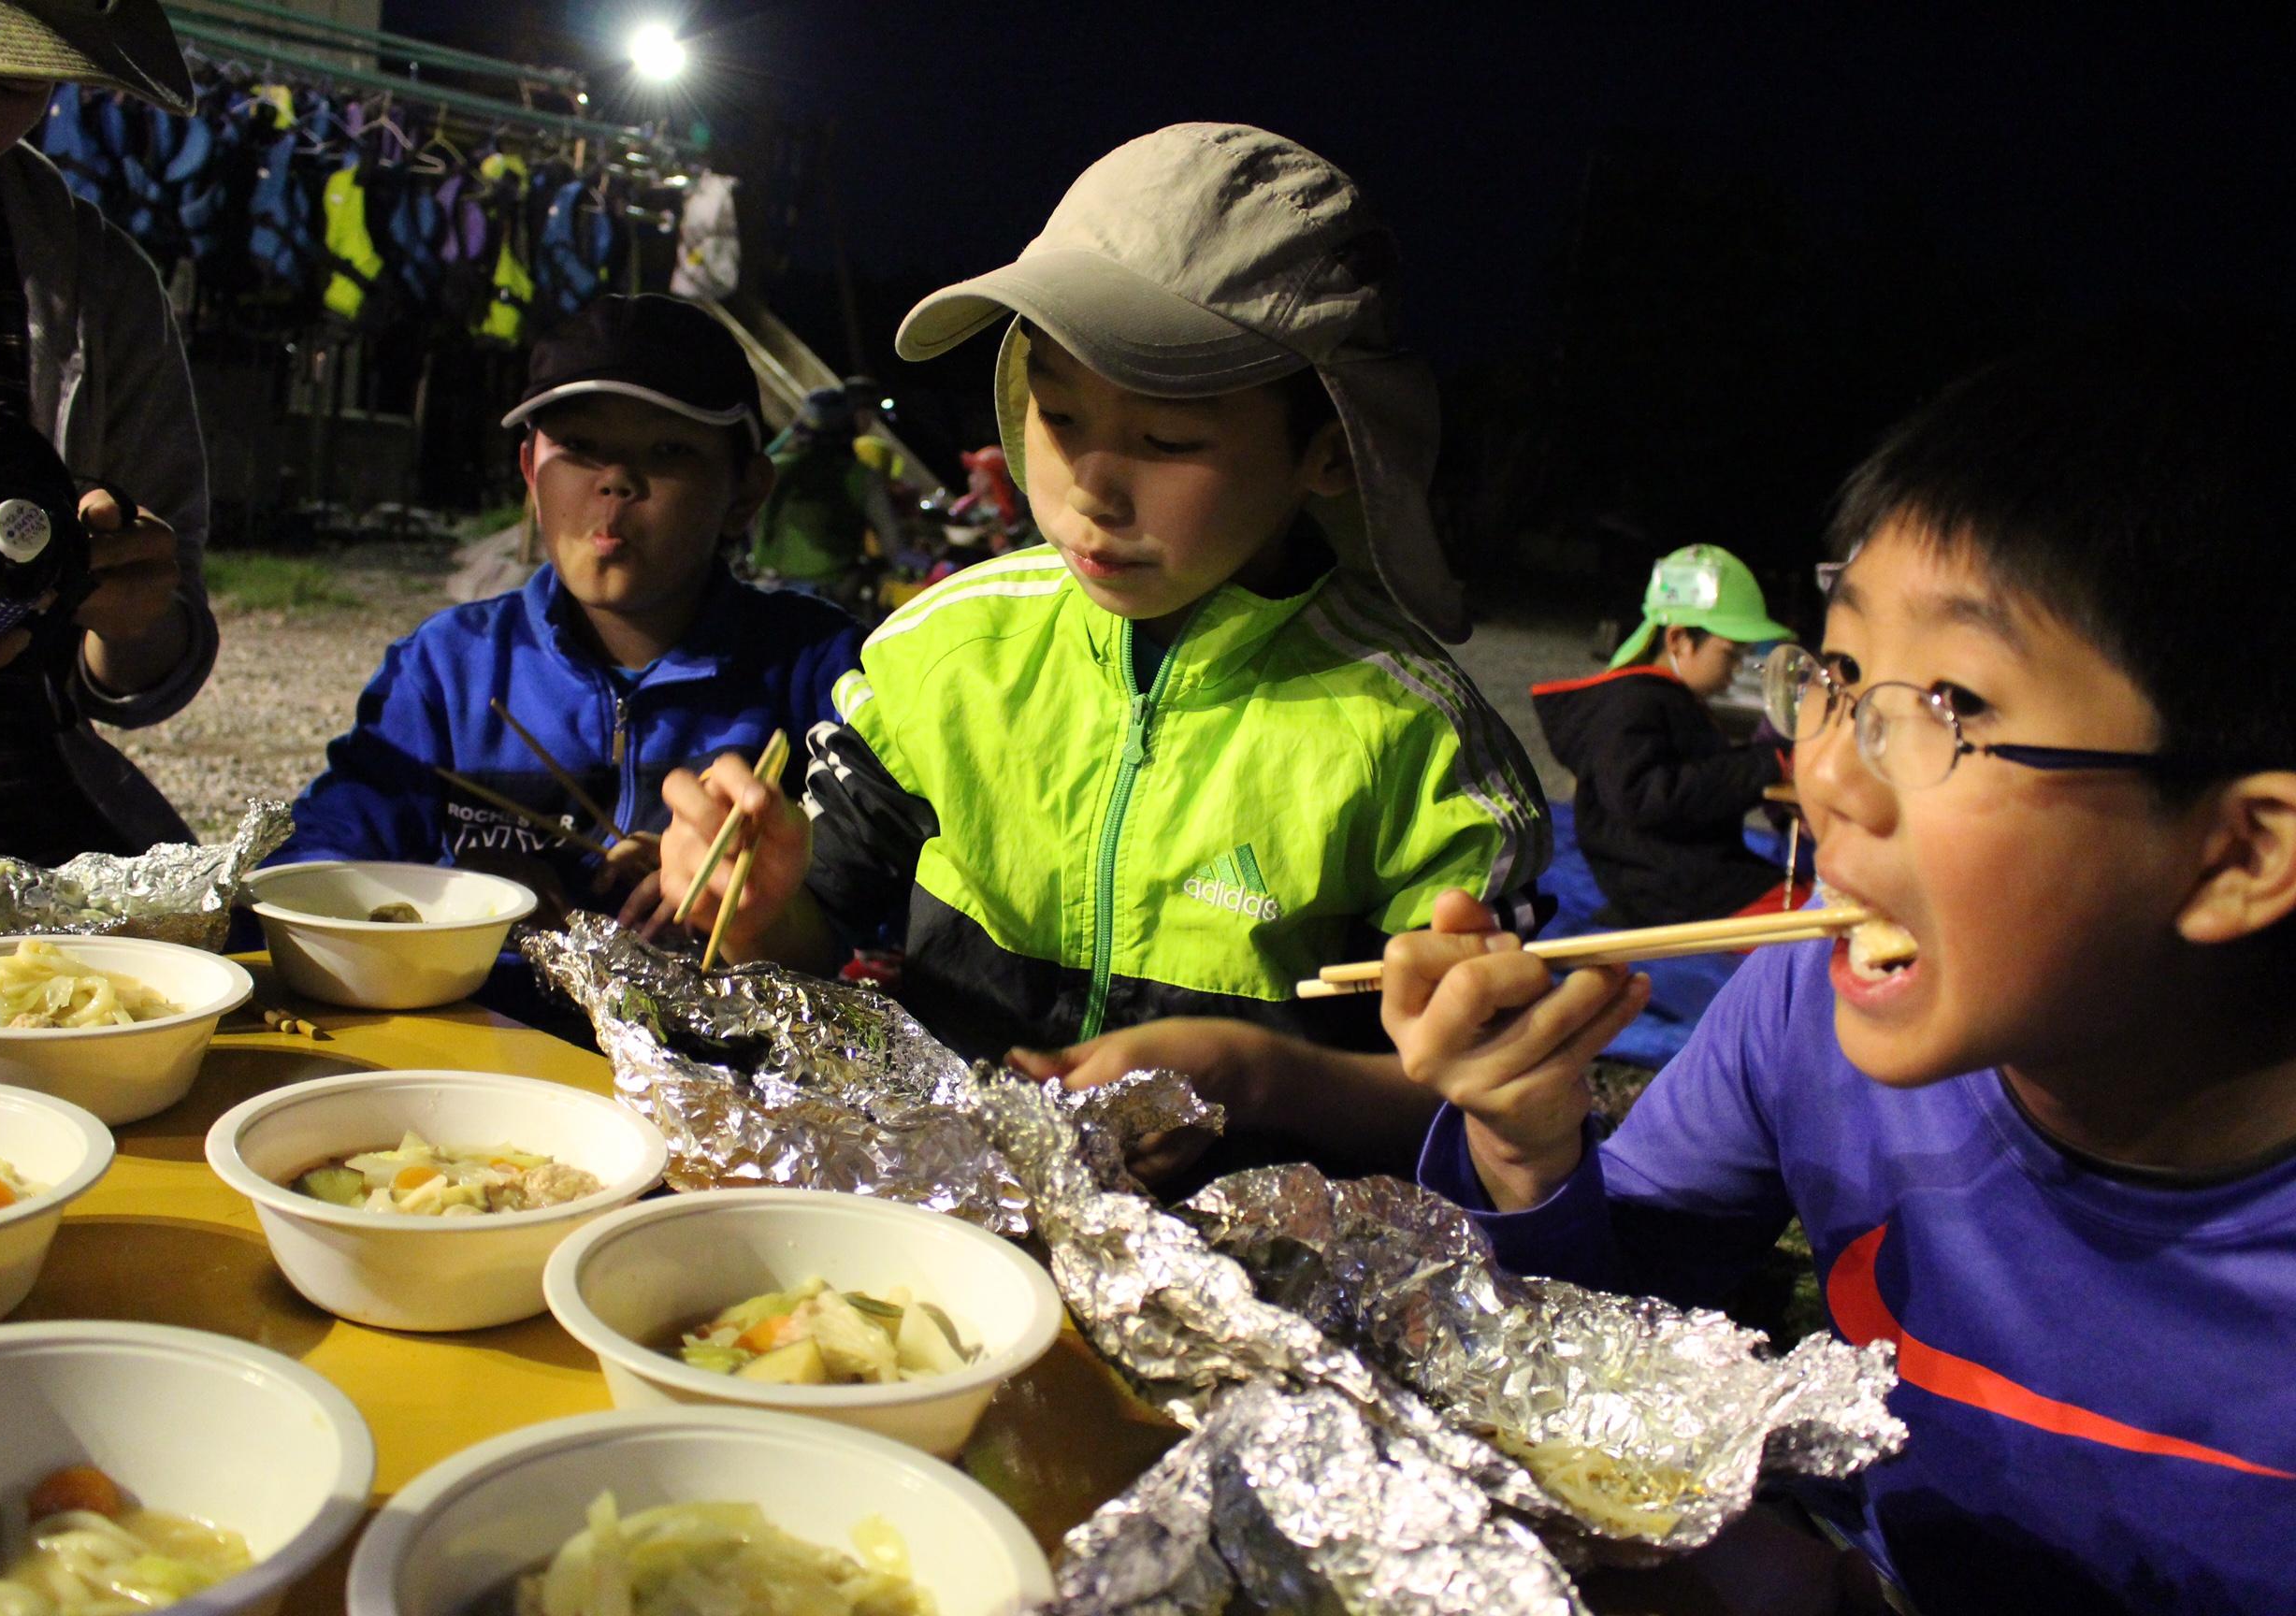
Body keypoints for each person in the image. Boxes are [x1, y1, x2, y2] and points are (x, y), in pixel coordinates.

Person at [1383, 331, 2296, 1615]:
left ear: (2239, 856)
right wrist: (1527, 1149)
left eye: (1954, 707)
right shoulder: (1805, 1010)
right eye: (1845, 678)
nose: (1828, 776)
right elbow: (1608, 1351)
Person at [657, 123, 1550, 1176]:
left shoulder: (1419, 741)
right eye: (1059, 413)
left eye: (1169, 440)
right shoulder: (947, 651)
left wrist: (1258, 1074)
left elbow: (1478, 1109)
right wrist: (757, 907)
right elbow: (815, 938)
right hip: (936, 1231)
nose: (1090, 486)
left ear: (1328, 452)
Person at [273, 295, 860, 936]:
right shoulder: (448, 672)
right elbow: (313, 868)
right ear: (530, 471)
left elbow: (879, 916)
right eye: (579, 446)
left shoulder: (818, 675)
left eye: (667, 449)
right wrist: (451, 888)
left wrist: (754, 904)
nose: (616, 481)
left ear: (744, 491)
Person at [0, 0, 217, 864]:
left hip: (0, 864)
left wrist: (131, 614)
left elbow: (155, 665)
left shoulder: (96, 288)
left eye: (12, 83)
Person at [1531, 543, 1798, 927]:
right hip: (1670, 888)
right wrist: (1763, 765)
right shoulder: (1629, 705)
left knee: (1808, 903)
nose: (1737, 668)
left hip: (1680, 874)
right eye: (1731, 653)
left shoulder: (1661, 698)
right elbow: (1645, 797)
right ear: (1678, 641)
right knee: (1812, 926)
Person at [745, 387, 896, 609]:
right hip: (826, 595)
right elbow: (892, 540)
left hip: (765, 585)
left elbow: (748, 517)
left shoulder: (775, 467)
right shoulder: (863, 475)